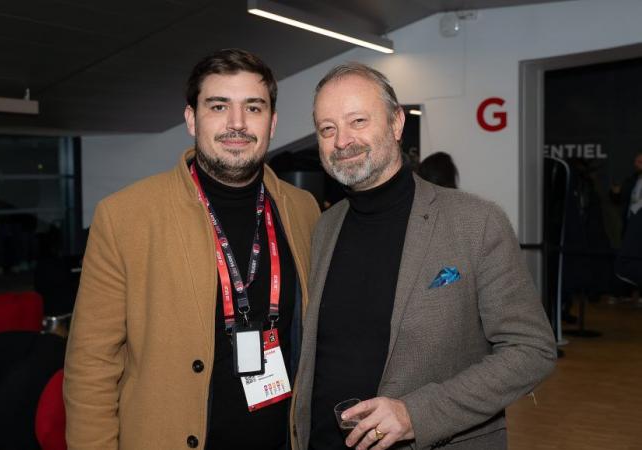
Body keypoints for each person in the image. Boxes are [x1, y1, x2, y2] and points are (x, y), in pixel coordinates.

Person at [64, 49, 320, 450]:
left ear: (272, 123)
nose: (236, 123)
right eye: (218, 106)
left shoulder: (302, 210)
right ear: (191, 119)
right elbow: (90, 366)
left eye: (252, 108)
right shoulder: (124, 216)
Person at [291, 63, 556, 450]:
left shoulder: (475, 222)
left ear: (397, 123)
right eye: (327, 129)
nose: (342, 140)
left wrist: (417, 413)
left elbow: (531, 350)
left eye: (358, 121)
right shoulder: (324, 227)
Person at [611, 151, 642, 235]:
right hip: (631, 222)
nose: (636, 164)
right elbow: (619, 199)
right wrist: (616, 193)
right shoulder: (632, 180)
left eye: (640, 162)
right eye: (635, 161)